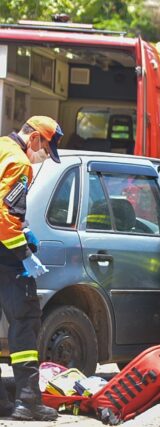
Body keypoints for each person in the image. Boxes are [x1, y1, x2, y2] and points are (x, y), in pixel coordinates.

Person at [0, 116, 62, 421]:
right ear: (35, 138)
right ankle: (27, 401)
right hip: (5, 256)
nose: (42, 157)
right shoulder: (18, 161)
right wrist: (24, 253)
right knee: (25, 322)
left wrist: (21, 229)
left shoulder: (1, 147)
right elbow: (3, 216)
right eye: (46, 150)